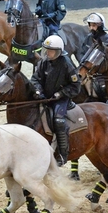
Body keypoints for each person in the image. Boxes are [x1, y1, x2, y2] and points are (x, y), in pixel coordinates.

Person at [31, 35, 81, 166]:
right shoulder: (43, 62)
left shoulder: (67, 64)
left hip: (61, 99)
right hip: (45, 97)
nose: (48, 53)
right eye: (46, 50)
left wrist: (60, 94)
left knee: (58, 121)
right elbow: (35, 79)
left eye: (51, 51)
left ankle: (63, 154)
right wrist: (38, 91)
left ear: (58, 51)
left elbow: (76, 86)